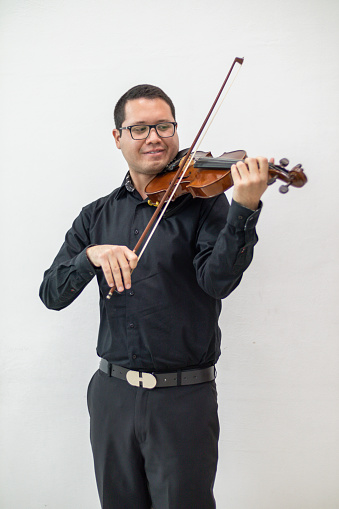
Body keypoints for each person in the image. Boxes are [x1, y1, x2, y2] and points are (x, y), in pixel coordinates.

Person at [39, 84, 270, 509]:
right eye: (140, 127)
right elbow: (51, 294)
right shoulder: (96, 215)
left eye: (164, 125)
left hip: (183, 399)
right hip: (110, 394)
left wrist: (244, 208)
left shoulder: (207, 205)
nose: (155, 137)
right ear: (118, 137)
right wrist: (89, 256)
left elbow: (218, 282)